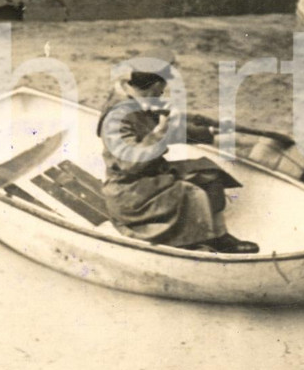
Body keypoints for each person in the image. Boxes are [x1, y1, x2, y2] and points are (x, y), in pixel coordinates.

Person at [96, 47, 259, 254]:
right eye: (162, 87)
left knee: (210, 175)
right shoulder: (116, 118)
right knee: (192, 194)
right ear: (155, 85)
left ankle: (218, 235)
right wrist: (159, 134)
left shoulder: (139, 101)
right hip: (129, 193)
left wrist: (210, 134)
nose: (163, 92)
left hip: (149, 179)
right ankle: (190, 243)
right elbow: (131, 163)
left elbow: (173, 128)